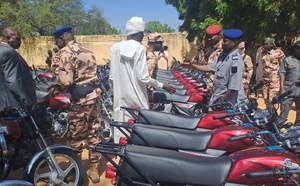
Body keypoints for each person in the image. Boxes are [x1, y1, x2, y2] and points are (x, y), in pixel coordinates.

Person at [109, 17, 176, 143]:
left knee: (122, 130)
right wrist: (162, 85)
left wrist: (115, 93)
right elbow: (143, 76)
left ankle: (123, 156)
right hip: (137, 97)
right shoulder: (139, 48)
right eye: (142, 34)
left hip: (120, 97)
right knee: (139, 131)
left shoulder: (115, 48)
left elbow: (111, 77)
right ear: (139, 33)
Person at [50, 26, 102, 183]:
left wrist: (49, 96)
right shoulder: (87, 50)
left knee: (76, 136)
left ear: (64, 37)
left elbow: (65, 81)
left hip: (81, 100)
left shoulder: (66, 51)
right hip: (96, 95)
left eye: (57, 40)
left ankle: (75, 170)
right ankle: (94, 170)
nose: (57, 43)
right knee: (94, 132)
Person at [179, 29, 245, 106]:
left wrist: (220, 102)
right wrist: (191, 65)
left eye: (225, 41)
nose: (222, 43)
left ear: (234, 42)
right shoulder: (223, 57)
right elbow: (209, 67)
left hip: (229, 104)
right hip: (218, 98)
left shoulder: (236, 61)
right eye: (223, 41)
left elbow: (233, 88)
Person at [0, 27, 37, 107]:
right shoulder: (9, 52)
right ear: (8, 38)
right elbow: (13, 82)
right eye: (17, 39)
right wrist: (26, 102)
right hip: (12, 103)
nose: (20, 42)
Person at [278, 41, 300, 126]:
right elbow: (282, 74)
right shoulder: (288, 60)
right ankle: (279, 133)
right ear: (295, 49)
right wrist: (281, 89)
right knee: (283, 114)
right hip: (288, 91)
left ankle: (296, 134)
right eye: (298, 49)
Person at [201, 24, 223, 102]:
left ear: (218, 35)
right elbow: (202, 64)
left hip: (219, 89)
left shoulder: (224, 48)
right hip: (210, 86)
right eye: (208, 37)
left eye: (211, 36)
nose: (209, 39)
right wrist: (202, 48)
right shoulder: (212, 49)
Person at [261, 37, 285, 104]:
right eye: (264, 44)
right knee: (265, 98)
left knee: (272, 100)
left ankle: (273, 114)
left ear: (271, 44)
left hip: (274, 80)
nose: (265, 45)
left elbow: (283, 66)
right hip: (265, 79)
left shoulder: (279, 52)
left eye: (266, 44)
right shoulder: (263, 53)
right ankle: (268, 113)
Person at [146, 32, 166, 109]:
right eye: (160, 43)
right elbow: (148, 80)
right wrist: (163, 86)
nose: (162, 45)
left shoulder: (144, 52)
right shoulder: (150, 58)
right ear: (156, 43)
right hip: (146, 93)